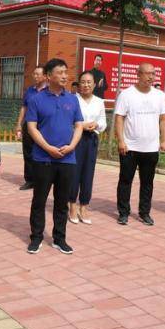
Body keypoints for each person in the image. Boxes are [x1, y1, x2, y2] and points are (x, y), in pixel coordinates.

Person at [26, 58, 83, 254]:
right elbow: (32, 127)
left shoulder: (73, 99)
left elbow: (78, 125)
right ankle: (36, 237)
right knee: (39, 200)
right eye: (60, 72)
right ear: (49, 76)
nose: (65, 76)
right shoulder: (36, 99)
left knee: (61, 202)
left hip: (67, 158)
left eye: (66, 72)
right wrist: (48, 147)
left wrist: (72, 146)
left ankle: (60, 238)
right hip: (43, 159)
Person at [115, 63, 165, 226]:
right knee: (125, 180)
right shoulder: (126, 94)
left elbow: (164, 118)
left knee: (147, 182)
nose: (150, 77)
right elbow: (119, 118)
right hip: (129, 147)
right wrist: (121, 140)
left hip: (151, 147)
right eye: (147, 74)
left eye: (153, 74)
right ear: (138, 74)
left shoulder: (159, 95)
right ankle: (123, 213)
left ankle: (144, 212)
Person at [68, 71, 106, 225]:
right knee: (74, 173)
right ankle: (72, 206)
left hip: (91, 139)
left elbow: (103, 122)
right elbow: (67, 121)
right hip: (75, 139)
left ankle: (84, 206)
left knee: (88, 174)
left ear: (94, 84)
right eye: (83, 82)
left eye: (89, 82)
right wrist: (80, 125)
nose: (86, 85)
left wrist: (96, 124)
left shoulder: (99, 102)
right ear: (79, 84)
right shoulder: (72, 100)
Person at [14, 66, 47, 190]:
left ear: (45, 76)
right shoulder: (30, 91)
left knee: (42, 152)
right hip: (28, 125)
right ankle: (29, 180)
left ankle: (42, 179)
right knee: (28, 153)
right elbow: (24, 108)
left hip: (43, 126)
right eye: (34, 74)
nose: (35, 76)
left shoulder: (48, 91)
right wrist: (18, 124)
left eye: (38, 74)